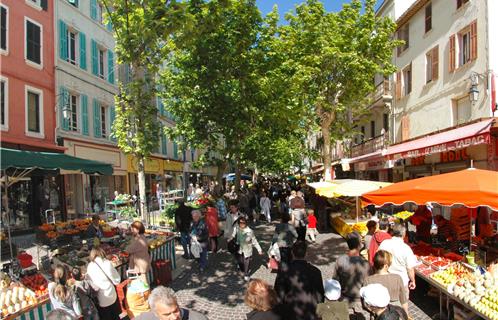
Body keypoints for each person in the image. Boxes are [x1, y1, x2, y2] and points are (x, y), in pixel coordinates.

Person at [274, 241, 324, 320]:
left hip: (290, 311)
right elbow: (320, 296)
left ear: (292, 253)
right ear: (306, 253)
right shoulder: (316, 271)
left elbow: (279, 295)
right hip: (310, 311)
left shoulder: (284, 272)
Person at [331, 232, 370, 320]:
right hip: (360, 301)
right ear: (359, 245)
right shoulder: (365, 264)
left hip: (345, 299)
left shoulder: (340, 260)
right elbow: (369, 284)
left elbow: (335, 281)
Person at [378, 224, 418, 299]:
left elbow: (377, 259)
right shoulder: (406, 248)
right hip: (401, 281)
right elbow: (410, 269)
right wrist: (413, 281)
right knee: (403, 305)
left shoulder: (384, 243)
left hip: (385, 279)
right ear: (404, 234)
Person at [364, 250, 409, 316]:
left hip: (378, 314)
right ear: (386, 266)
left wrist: (375, 312)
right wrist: (406, 314)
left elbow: (366, 304)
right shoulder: (397, 278)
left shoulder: (368, 280)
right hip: (396, 313)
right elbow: (403, 301)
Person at [86, 247, 122, 320]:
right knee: (115, 315)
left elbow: (90, 282)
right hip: (111, 295)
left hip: (100, 297)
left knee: (105, 316)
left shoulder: (89, 266)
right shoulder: (107, 263)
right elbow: (117, 280)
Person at [134, 286, 208, 320]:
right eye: (167, 314)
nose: (174, 317)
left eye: (175, 311)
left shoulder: (199, 318)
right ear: (155, 313)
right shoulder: (145, 318)